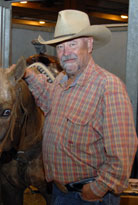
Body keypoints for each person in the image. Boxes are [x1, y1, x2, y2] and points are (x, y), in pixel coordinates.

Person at [23, 10, 138, 204]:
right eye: (60, 47)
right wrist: (26, 74)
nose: (66, 53)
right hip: (60, 193)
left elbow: (122, 153)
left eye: (72, 44)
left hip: (88, 197)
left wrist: (97, 189)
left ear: (90, 44)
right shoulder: (61, 81)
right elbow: (46, 98)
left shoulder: (108, 87)